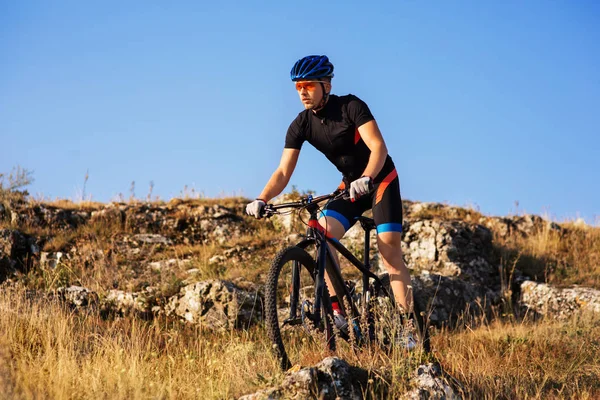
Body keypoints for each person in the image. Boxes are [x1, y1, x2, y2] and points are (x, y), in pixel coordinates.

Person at [246, 55, 415, 346]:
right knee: (320, 233)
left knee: (389, 254)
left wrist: (368, 177)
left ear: (326, 85)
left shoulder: (351, 106)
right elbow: (283, 171)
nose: (302, 91)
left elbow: (378, 148)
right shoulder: (300, 125)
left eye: (309, 85)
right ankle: (339, 312)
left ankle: (408, 329)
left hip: (380, 180)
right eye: (298, 86)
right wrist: (262, 198)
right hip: (349, 188)